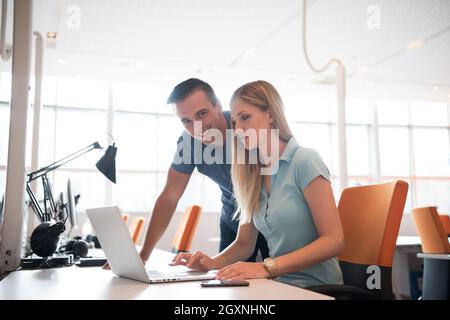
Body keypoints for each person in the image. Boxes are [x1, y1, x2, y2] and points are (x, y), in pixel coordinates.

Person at [171, 80, 344, 288]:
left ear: (270, 115)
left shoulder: (305, 161)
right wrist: (210, 263)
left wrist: (266, 267)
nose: (238, 129)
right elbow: (245, 243)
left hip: (317, 288)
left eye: (245, 117)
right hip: (279, 286)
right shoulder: (252, 175)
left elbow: (335, 240)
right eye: (234, 121)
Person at [137, 78, 269, 265]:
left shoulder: (245, 129)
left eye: (202, 114)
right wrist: (143, 256)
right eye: (186, 121)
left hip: (269, 219)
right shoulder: (189, 143)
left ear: (219, 106)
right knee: (228, 284)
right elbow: (169, 197)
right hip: (233, 220)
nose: (196, 127)